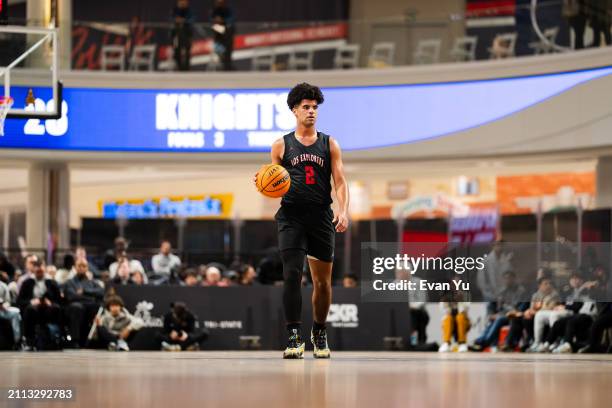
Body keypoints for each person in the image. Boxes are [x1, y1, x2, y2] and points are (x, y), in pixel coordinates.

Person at [254, 83, 350, 359]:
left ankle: (319, 332)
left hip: (321, 215)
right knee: (292, 275)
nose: (311, 111)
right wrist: (262, 183)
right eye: (306, 107)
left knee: (322, 283)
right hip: (291, 216)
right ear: (294, 110)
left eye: (314, 107)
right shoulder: (280, 145)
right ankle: (294, 337)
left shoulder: (329, 143)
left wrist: (342, 210)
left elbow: (341, 182)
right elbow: (272, 180)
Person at [473, 270, 526, 352]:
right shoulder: (502, 291)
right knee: (493, 321)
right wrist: (491, 314)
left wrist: (504, 311)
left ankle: (483, 342)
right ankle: (481, 341)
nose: (507, 280)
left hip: (514, 316)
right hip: (502, 315)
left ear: (514, 279)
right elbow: (493, 304)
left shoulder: (520, 291)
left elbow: (517, 308)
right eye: (505, 279)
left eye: (509, 278)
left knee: (499, 319)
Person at [16, 259, 62, 349]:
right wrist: (31, 301)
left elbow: (59, 300)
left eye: (41, 271)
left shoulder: (51, 283)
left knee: (56, 308)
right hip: (33, 310)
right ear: (34, 271)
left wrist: (50, 302)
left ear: (44, 270)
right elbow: (19, 301)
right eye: (37, 271)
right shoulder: (27, 283)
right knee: (30, 310)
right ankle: (30, 341)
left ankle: (56, 339)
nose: (39, 273)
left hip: (48, 309)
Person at [63, 259, 104, 347]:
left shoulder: (92, 282)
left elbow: (101, 292)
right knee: (77, 307)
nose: (81, 268)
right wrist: (90, 297)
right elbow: (72, 296)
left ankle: (97, 340)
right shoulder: (69, 282)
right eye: (79, 266)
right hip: (75, 307)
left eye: (84, 266)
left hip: (89, 306)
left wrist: (85, 291)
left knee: (98, 307)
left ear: (87, 268)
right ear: (75, 267)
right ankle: (75, 341)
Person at [210, 0, 235, 71]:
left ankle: (227, 66)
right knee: (219, 50)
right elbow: (212, 23)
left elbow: (231, 20)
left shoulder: (228, 10)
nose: (219, 4)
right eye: (218, 2)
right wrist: (216, 21)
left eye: (221, 2)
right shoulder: (214, 11)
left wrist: (223, 21)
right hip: (218, 37)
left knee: (227, 50)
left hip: (227, 35)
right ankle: (222, 63)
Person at [172, 0, 194, 71]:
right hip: (177, 36)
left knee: (187, 51)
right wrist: (177, 19)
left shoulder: (189, 11)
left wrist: (183, 20)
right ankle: (179, 67)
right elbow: (171, 18)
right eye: (181, 2)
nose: (183, 3)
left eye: (184, 2)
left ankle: (187, 68)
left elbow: (192, 20)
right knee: (177, 51)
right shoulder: (175, 10)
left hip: (187, 35)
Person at [0, 278, 21, 349]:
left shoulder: (3, 285)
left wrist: (4, 306)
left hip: (1, 310)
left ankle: (17, 341)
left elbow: (8, 301)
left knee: (16, 312)